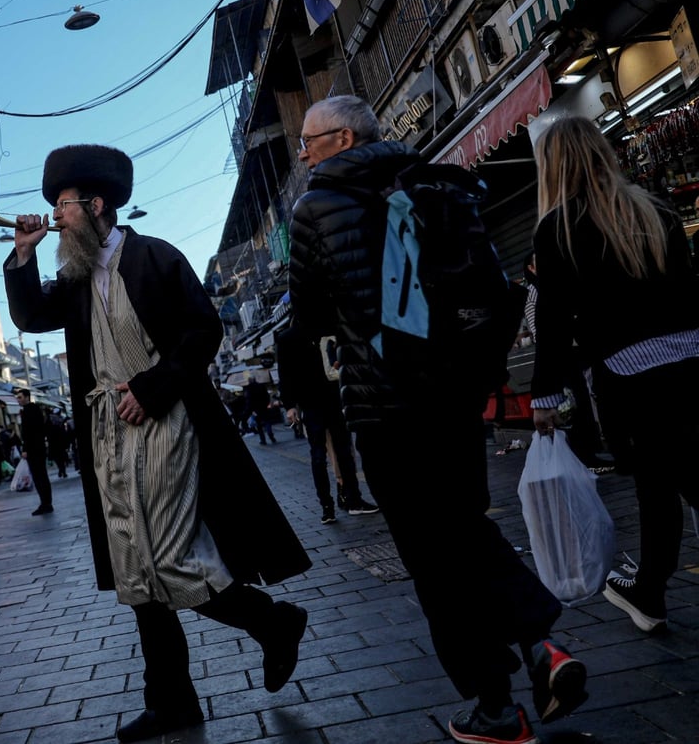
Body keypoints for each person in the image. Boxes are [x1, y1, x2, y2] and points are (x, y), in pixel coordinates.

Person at [283, 96, 586, 744]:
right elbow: (491, 288)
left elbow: (307, 318)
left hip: (387, 409)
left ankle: (499, 706)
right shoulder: (439, 183)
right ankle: (539, 649)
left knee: (433, 558)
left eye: (307, 141)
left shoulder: (313, 209)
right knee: (462, 529)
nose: (301, 153)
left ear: (339, 139)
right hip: (455, 401)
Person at [4, 143, 311, 743]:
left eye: (63, 207)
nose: (57, 218)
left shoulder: (154, 257)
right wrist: (22, 255)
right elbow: (31, 318)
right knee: (133, 569)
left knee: (167, 558)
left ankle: (272, 623)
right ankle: (171, 700)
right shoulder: (70, 278)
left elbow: (204, 330)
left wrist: (152, 385)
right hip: (106, 436)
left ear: (96, 206)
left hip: (165, 425)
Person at [530, 116, 699, 636]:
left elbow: (553, 324)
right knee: (681, 476)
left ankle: (649, 592)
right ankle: (647, 588)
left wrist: (546, 397)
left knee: (658, 484)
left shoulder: (558, 229)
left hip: (630, 374)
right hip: (688, 359)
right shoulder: (655, 211)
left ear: (553, 167)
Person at [277, 333, 377, 523]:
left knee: (337, 453)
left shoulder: (321, 332)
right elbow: (285, 373)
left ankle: (346, 501)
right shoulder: (290, 338)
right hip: (315, 401)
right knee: (323, 455)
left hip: (330, 399)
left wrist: (290, 404)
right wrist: (289, 404)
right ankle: (331, 505)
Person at [15, 388, 53, 515]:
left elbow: (29, 433)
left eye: (20, 397)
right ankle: (46, 502)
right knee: (41, 476)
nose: (18, 400)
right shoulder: (33, 409)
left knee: (39, 476)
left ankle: (45, 503)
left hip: (34, 449)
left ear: (27, 397)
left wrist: (26, 449)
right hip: (38, 448)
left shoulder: (29, 411)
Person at [244, 377, 276, 444]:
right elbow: (267, 396)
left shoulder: (248, 388)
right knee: (267, 422)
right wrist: (266, 404)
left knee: (259, 425)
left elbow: (248, 401)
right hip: (264, 407)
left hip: (256, 410)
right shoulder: (261, 386)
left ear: (249, 381)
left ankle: (263, 440)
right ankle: (270, 435)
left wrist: (249, 410)